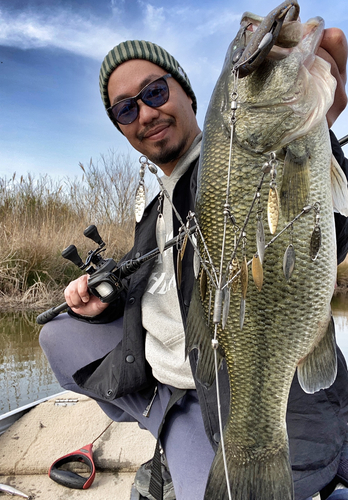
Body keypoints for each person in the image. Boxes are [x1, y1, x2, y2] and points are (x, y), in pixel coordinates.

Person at [40, 26, 348, 500]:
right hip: (168, 379)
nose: (145, 113)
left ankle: (181, 439)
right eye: (126, 109)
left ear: (186, 91)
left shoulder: (230, 163)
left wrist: (315, 135)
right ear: (122, 127)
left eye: (155, 91)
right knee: (57, 334)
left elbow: (321, 230)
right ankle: (162, 427)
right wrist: (106, 297)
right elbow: (169, 278)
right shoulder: (153, 209)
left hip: (225, 391)